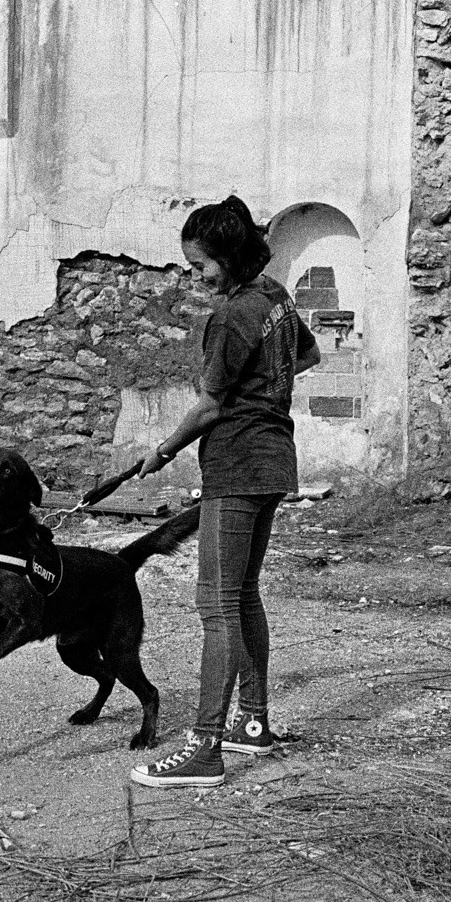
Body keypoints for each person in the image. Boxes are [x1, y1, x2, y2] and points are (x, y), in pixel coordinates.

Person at [128, 195, 320, 789]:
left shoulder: (232, 316)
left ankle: (205, 746)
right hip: (274, 459)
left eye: (201, 265)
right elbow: (309, 353)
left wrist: (163, 450)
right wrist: (265, 386)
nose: (197, 276)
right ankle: (253, 723)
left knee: (216, 604)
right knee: (243, 594)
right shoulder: (275, 297)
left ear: (229, 257)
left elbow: (210, 405)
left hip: (237, 465)